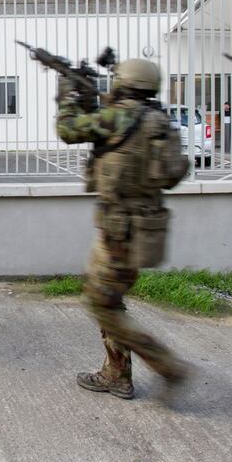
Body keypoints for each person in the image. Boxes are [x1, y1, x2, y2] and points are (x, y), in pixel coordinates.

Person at [56, 59, 190, 400]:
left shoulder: (119, 116)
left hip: (118, 229)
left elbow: (68, 130)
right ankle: (116, 372)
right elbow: (174, 174)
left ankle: (166, 364)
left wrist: (67, 95)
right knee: (109, 299)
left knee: (100, 303)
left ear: (123, 82)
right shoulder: (159, 120)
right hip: (146, 226)